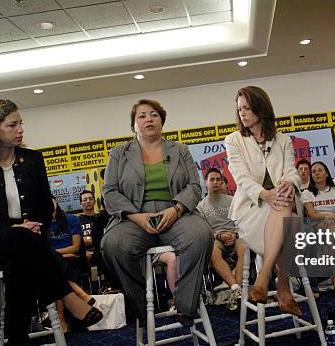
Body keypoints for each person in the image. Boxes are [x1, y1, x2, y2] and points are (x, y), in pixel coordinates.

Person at [0, 99, 102, 346]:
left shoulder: (33, 160)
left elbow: (45, 207)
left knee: (22, 255)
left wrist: (33, 228)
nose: (20, 130)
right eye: (12, 125)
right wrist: (17, 229)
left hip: (30, 241)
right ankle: (68, 297)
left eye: (20, 123)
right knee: (22, 241)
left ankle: (17, 332)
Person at [101, 99, 213, 327]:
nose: (148, 119)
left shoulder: (180, 150)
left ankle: (185, 305)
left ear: (162, 121)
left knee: (201, 235)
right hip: (134, 217)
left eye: (154, 115)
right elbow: (110, 192)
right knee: (113, 245)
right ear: (133, 125)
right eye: (141, 116)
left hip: (175, 213)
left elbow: (194, 186)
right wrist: (135, 215)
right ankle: (140, 307)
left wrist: (176, 209)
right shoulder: (118, 154)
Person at [225, 86, 302, 316]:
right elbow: (240, 177)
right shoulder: (234, 140)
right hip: (251, 209)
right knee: (291, 220)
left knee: (285, 203)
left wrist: (290, 182)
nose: (242, 114)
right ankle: (282, 284)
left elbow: (292, 171)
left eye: (247, 108)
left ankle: (264, 277)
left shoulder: (283, 141)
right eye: (239, 109)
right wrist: (265, 194)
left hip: (278, 206)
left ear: (261, 108)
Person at [197, 168, 247, 310]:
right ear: (205, 183)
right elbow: (203, 230)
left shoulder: (232, 201)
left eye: (218, 179)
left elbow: (242, 221)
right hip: (216, 238)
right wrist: (219, 236)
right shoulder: (200, 206)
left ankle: (236, 291)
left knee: (245, 248)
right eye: (212, 179)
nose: (216, 182)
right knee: (212, 252)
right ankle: (237, 288)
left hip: (234, 236)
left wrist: (235, 234)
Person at [301, 161, 335, 296]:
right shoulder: (307, 193)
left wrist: (329, 218)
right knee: (329, 228)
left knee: (331, 235)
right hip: (316, 225)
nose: (316, 173)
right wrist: (327, 216)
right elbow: (312, 215)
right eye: (314, 171)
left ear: (326, 173)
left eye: (320, 170)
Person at [49, 196, 94, 331]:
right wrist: (60, 255)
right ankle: (80, 294)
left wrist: (56, 254)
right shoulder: (41, 224)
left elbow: (75, 247)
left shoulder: (71, 219)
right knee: (54, 267)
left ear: (56, 201)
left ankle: (61, 318)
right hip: (54, 262)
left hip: (73, 260)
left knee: (55, 268)